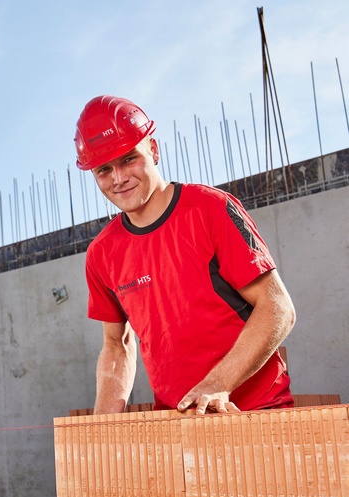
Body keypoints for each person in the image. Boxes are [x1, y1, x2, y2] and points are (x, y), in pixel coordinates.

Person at [76, 95, 296, 415]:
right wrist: (101, 428)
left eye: (128, 159)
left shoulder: (211, 209)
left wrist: (217, 384)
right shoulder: (102, 254)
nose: (118, 178)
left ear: (153, 149)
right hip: (180, 422)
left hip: (256, 412)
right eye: (103, 170)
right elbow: (116, 344)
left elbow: (277, 309)